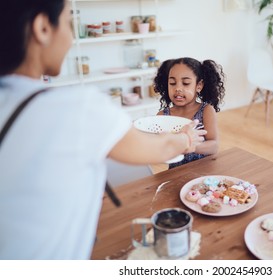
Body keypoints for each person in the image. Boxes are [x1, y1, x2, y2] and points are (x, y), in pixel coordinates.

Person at [0, 0, 206, 259]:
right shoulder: (76, 107)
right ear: (42, 28)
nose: (71, 35)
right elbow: (162, 148)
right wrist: (185, 137)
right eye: (67, 22)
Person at [154, 57, 225, 169]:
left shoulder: (206, 111)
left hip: (204, 174)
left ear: (199, 86)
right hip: (176, 174)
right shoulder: (162, 116)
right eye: (172, 83)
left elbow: (214, 146)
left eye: (185, 83)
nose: (178, 88)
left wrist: (188, 145)